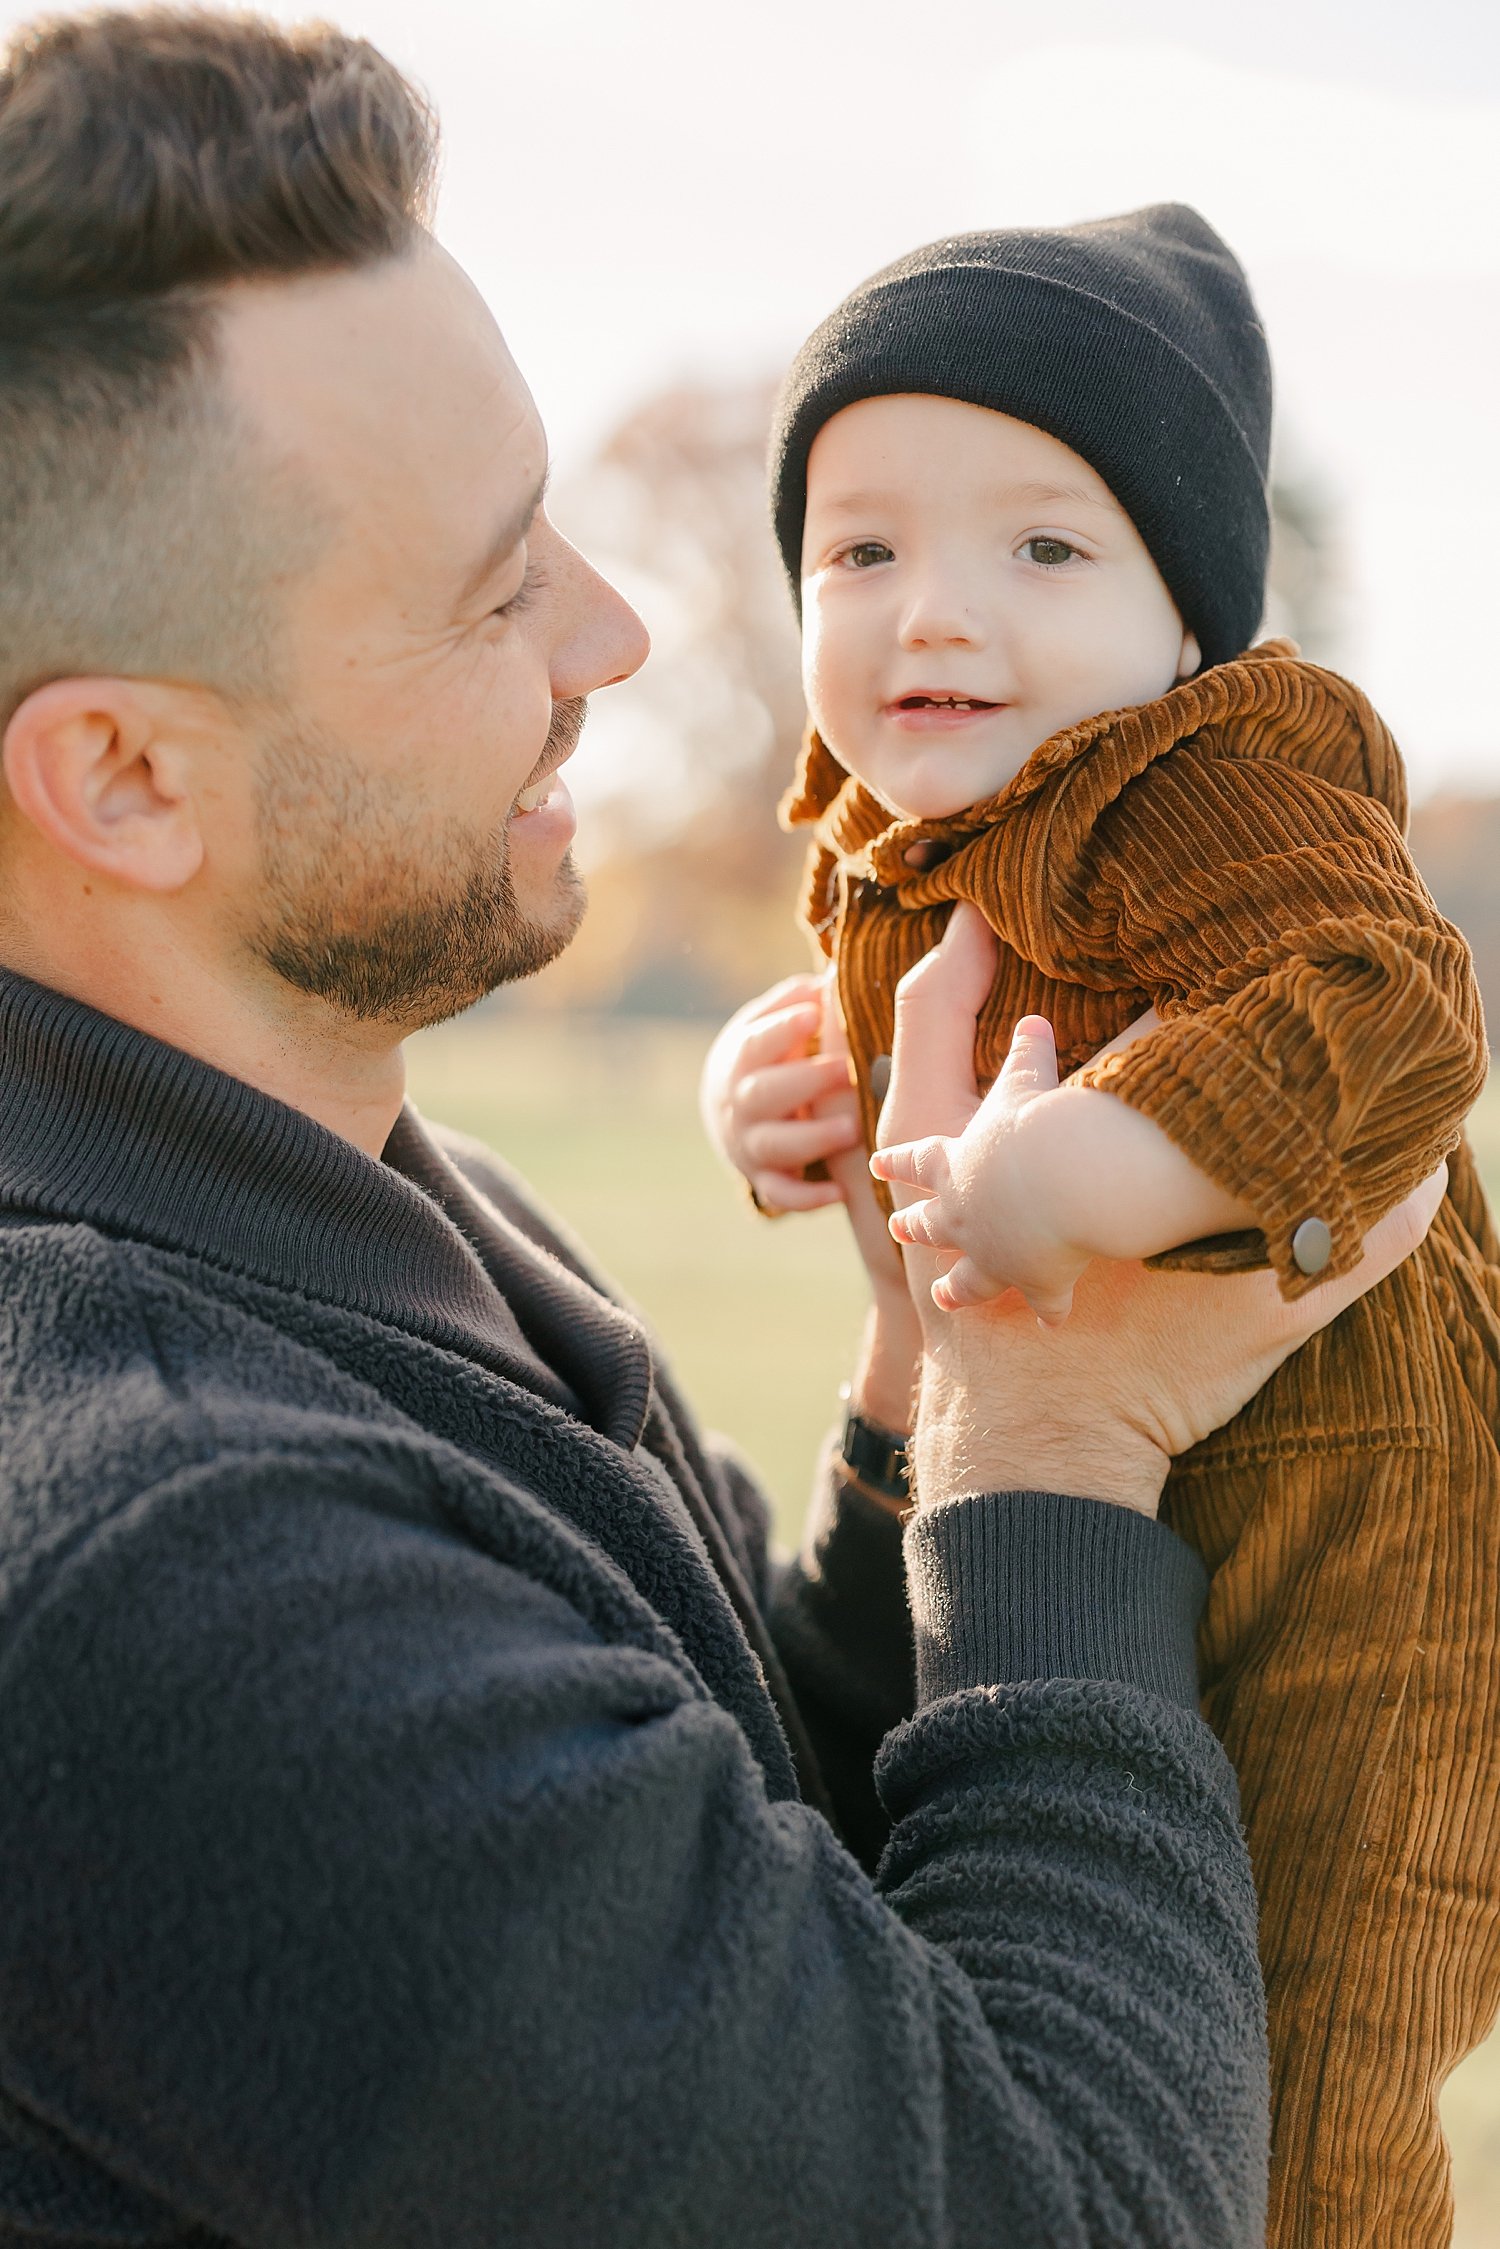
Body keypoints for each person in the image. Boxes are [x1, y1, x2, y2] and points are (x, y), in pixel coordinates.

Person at [0, 17, 1445, 2246]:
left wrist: (910, 1401)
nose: (624, 624)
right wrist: (1054, 1448)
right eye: (497, 588)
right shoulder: (179, 1580)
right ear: (125, 782)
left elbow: (739, 1878)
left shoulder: (359, 1198)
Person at [701, 208, 1500, 2247]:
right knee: (1077, 1968)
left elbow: (1388, 1010)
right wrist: (779, 1082)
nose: (932, 614)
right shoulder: (900, 829)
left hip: (1369, 1545)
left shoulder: (1211, 780)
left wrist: (1094, 1168)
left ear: (1188, 616)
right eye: (858, 553)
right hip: (1115, 1515)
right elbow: (886, 1006)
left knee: (1317, 2060)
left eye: (1043, 549)